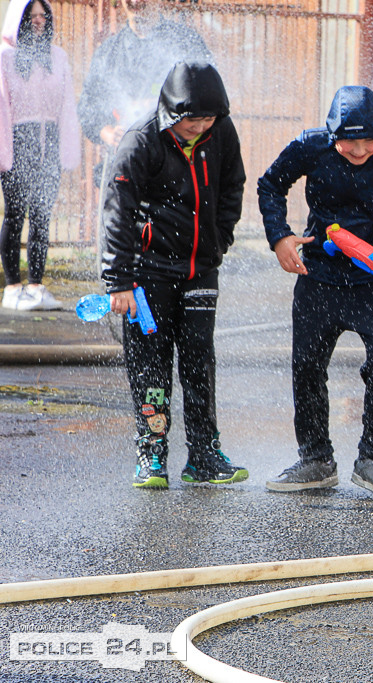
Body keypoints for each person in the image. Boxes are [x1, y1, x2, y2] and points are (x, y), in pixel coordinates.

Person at [259, 85, 373, 500]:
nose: (360, 150)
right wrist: (280, 236)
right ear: (333, 135)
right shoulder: (310, 146)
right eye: (350, 141)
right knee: (307, 366)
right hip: (319, 275)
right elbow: (270, 185)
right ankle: (315, 459)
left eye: (369, 141)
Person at [102, 60, 247, 489]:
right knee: (150, 364)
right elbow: (117, 211)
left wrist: (219, 240)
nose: (199, 127)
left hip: (200, 270)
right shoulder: (141, 140)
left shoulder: (221, 132)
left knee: (200, 360)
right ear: (170, 112)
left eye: (207, 119)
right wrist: (118, 282)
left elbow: (233, 185)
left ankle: (204, 454)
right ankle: (151, 453)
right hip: (147, 275)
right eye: (191, 120)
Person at [0, 0, 80, 311]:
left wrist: (66, 152)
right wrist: (4, 154)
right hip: (18, 141)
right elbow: (2, 109)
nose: (38, 21)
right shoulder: (6, 58)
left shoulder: (58, 57)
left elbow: (67, 107)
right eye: (31, 16)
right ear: (18, 21)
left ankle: (36, 285)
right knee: (15, 215)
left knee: (42, 216)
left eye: (42, 15)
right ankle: (12, 287)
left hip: (50, 144)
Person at [78, 0, 212, 154]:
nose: (135, 1)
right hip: (126, 158)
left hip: (176, 156)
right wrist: (108, 133)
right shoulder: (108, 53)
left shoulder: (186, 42)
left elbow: (209, 98)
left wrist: (162, 108)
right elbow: (88, 106)